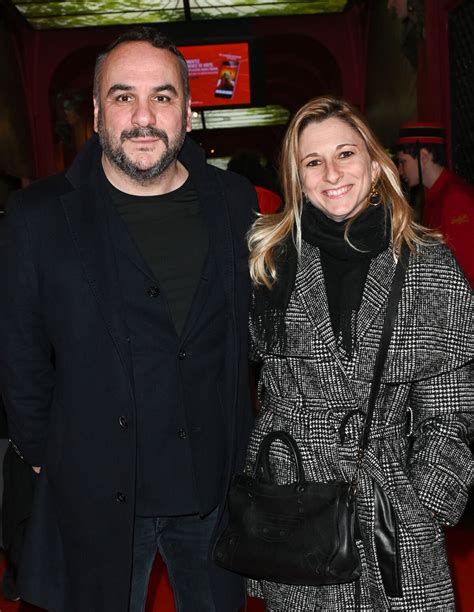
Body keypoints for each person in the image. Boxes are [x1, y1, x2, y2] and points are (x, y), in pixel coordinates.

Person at [0, 26, 258, 612]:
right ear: (97, 113)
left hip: (212, 492)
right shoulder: (37, 216)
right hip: (94, 492)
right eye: (123, 97)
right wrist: (46, 450)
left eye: (162, 97)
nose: (144, 116)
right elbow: (18, 349)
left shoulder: (234, 200)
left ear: (187, 113)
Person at [244, 96, 473, 611]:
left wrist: (426, 502)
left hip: (395, 504)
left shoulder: (428, 263)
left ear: (375, 163)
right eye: (313, 162)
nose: (332, 173)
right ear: (297, 178)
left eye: (346, 154)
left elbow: (452, 406)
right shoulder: (269, 266)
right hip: (301, 507)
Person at [397, 121, 474, 286]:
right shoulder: (432, 195)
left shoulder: (455, 199)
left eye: (403, 162)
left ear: (423, 157)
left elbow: (466, 271)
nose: (399, 170)